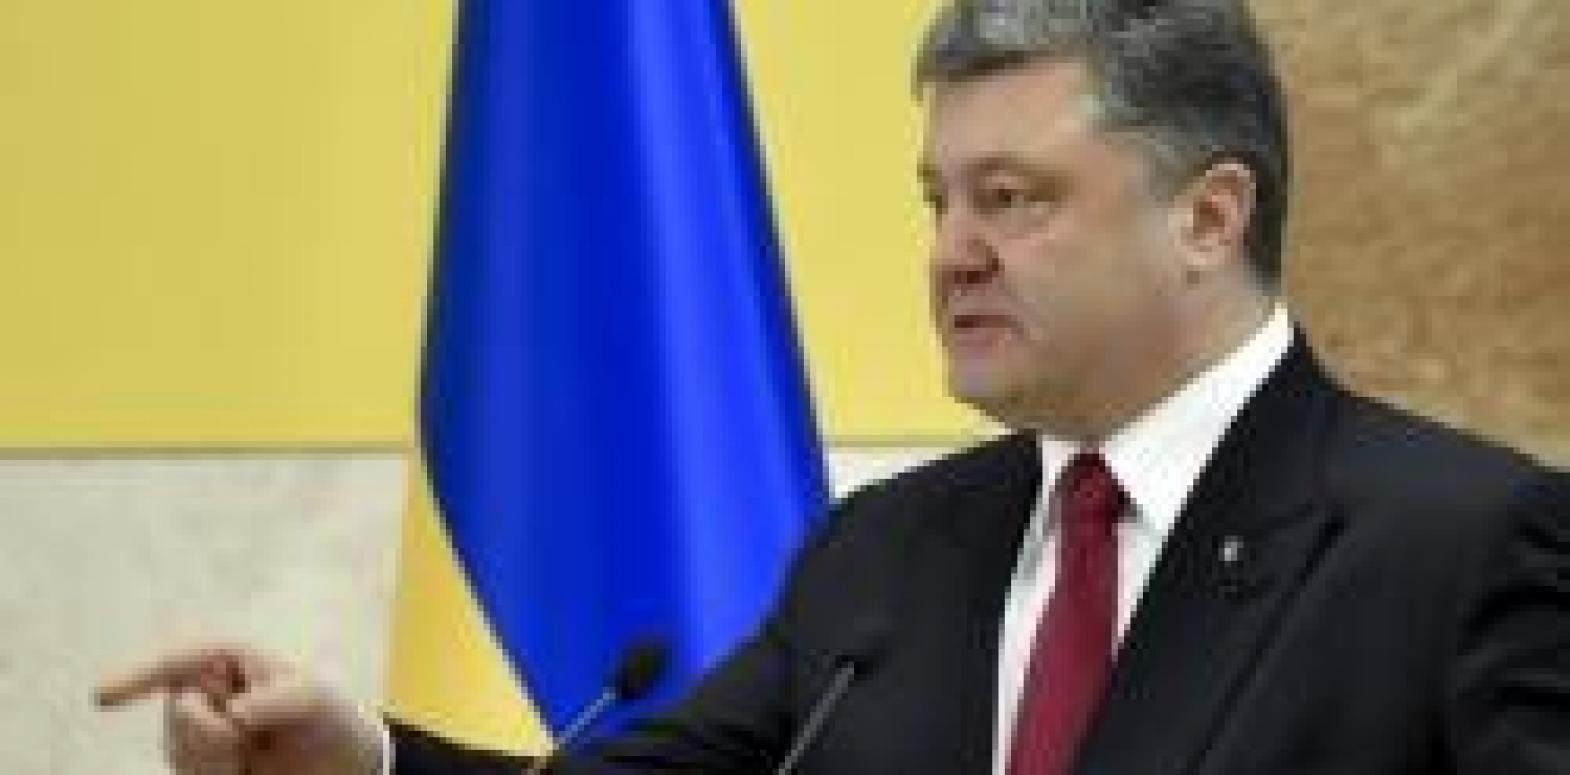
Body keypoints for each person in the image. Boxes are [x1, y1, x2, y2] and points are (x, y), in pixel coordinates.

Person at [98, 0, 1570, 772]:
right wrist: (360, 764)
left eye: (1011, 198)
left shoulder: (1461, 547)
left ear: (1207, 216)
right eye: (938, 199)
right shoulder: (890, 555)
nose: (950, 252)